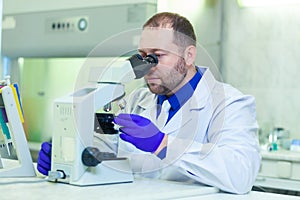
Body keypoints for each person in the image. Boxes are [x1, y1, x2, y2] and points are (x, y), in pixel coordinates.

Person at [37, 12, 261, 194]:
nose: (147, 66)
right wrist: (68, 157)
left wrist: (163, 144)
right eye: (143, 56)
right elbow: (112, 156)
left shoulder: (230, 103)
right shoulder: (137, 99)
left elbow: (241, 175)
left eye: (157, 56)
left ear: (189, 55)